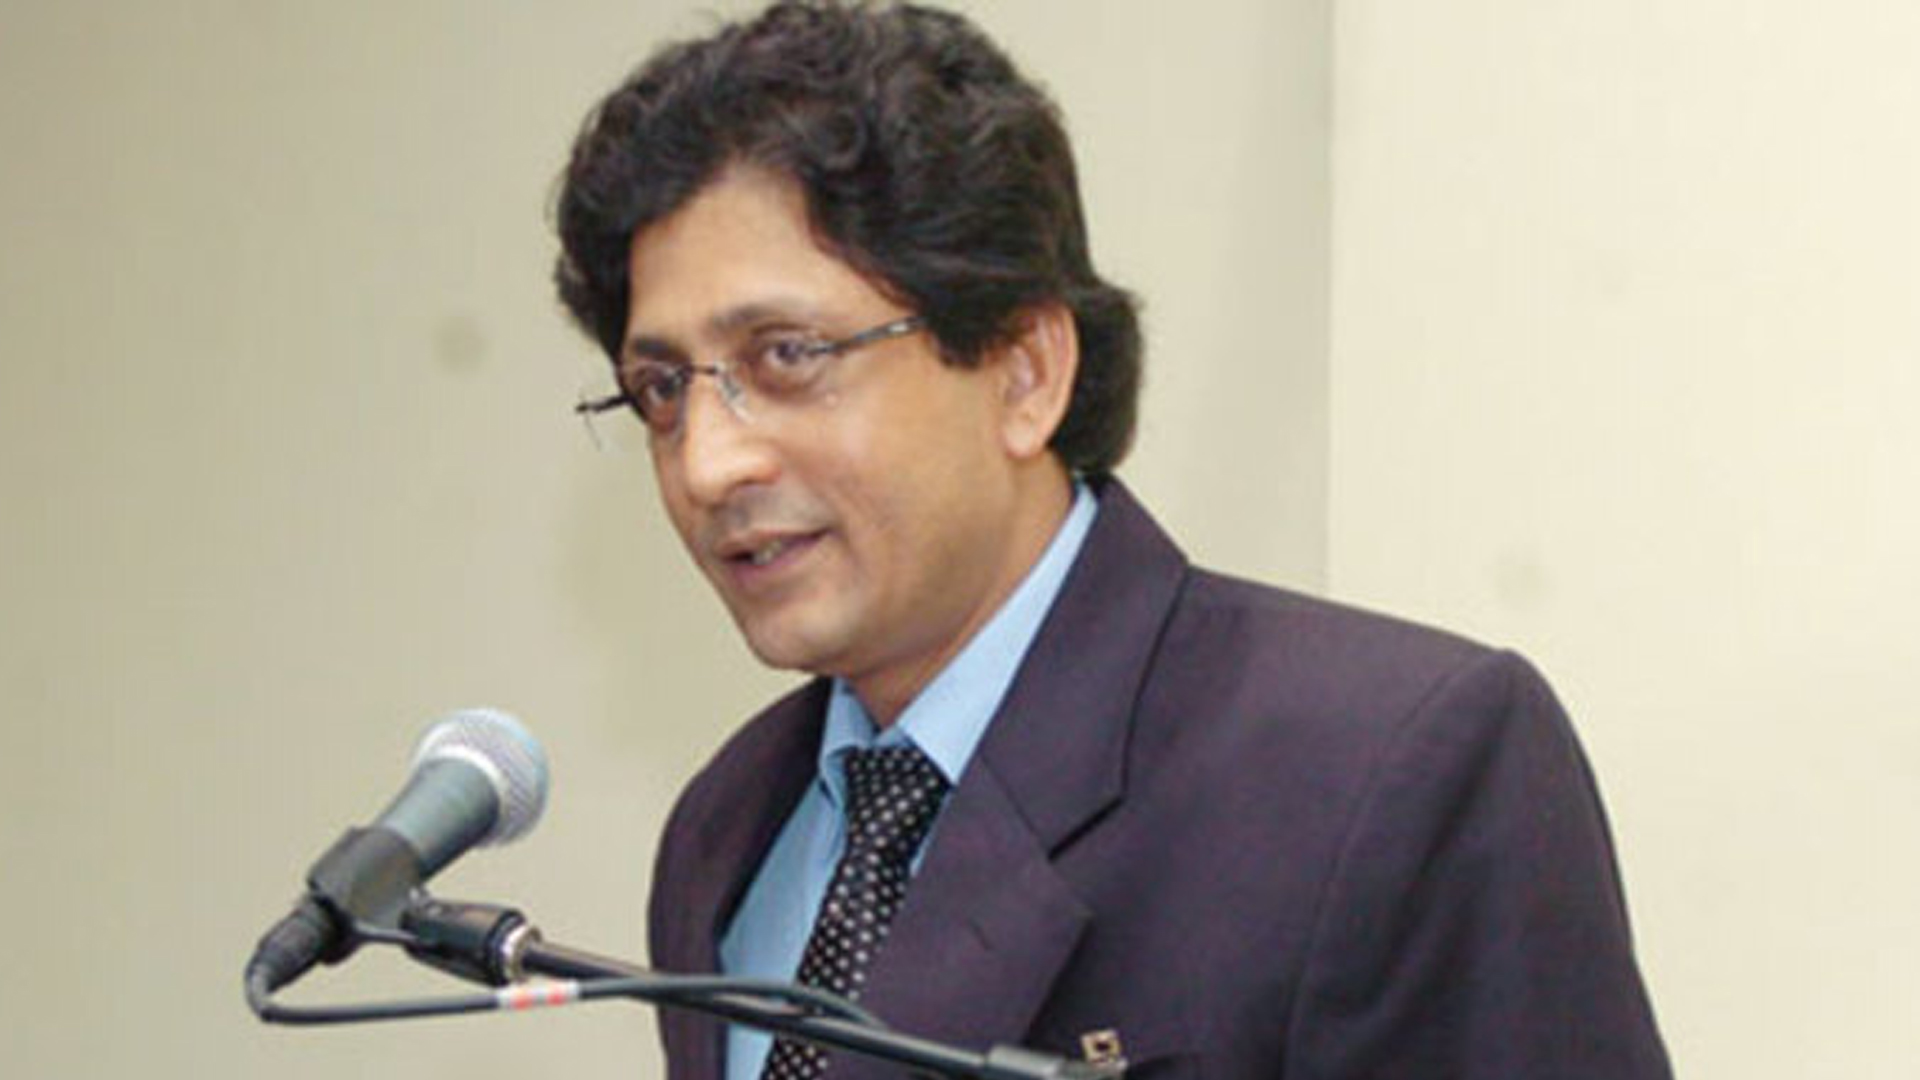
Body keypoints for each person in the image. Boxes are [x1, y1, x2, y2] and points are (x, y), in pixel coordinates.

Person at [552, 3, 1672, 1079]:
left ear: (1024, 373)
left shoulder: (1387, 769)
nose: (708, 463)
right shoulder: (729, 827)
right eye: (663, 387)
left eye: (788, 356)